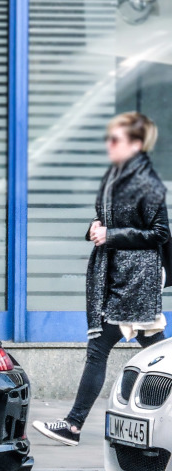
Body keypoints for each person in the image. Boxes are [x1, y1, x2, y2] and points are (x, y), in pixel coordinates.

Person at [34, 112, 170, 446]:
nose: (109, 144)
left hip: (134, 283)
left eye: (117, 139)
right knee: (158, 349)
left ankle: (73, 425)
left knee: (98, 351)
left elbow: (159, 233)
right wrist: (95, 227)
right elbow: (106, 217)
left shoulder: (147, 184)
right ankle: (73, 425)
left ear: (136, 145)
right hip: (117, 277)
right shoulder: (115, 176)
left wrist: (111, 234)